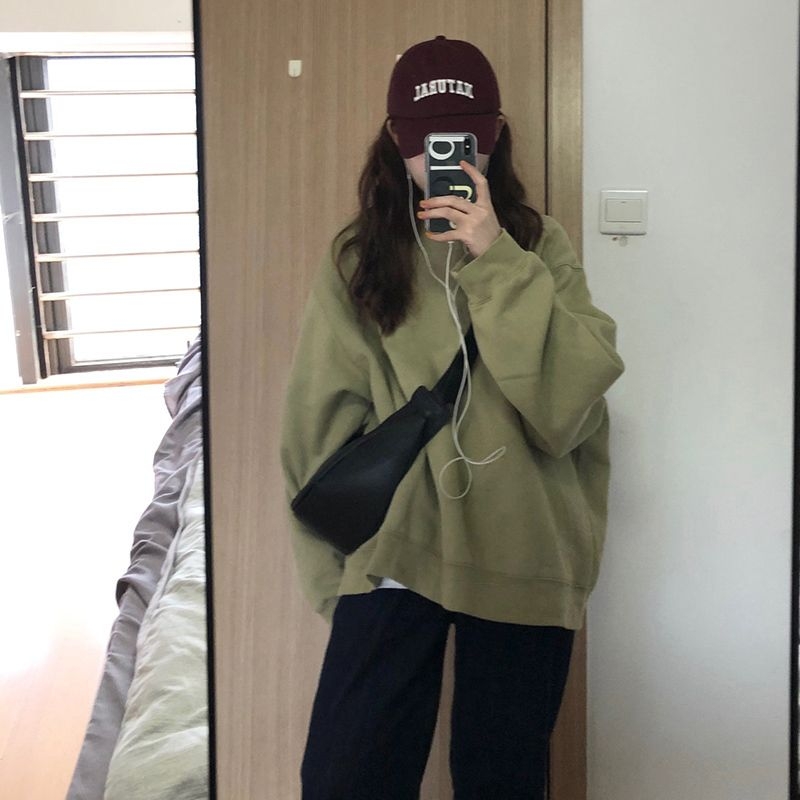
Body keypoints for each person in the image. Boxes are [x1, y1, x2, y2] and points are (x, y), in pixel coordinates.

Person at [279, 35, 625, 800]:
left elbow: (569, 409)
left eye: (463, 137)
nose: (443, 157)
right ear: (395, 138)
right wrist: (335, 582)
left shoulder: (537, 245)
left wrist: (495, 255)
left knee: (503, 782)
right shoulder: (360, 257)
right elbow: (314, 428)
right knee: (346, 778)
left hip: (522, 549)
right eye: (425, 140)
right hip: (397, 551)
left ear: (493, 135)